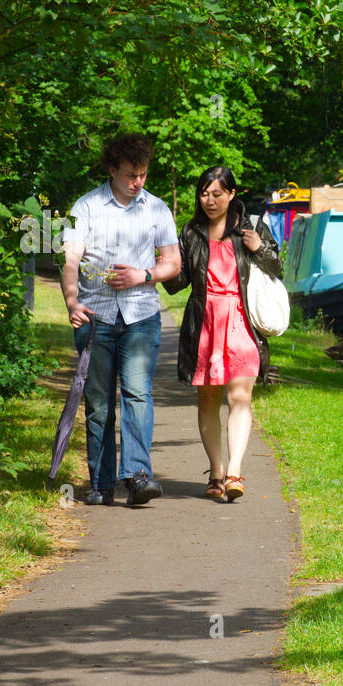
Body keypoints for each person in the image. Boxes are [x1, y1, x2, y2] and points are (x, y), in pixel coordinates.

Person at [60, 134, 180, 507]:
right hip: (96, 318)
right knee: (98, 404)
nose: (138, 182)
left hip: (141, 315)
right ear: (112, 170)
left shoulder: (157, 209)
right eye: (131, 175)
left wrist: (143, 275)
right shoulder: (85, 207)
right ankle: (101, 483)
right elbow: (69, 262)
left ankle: (139, 476)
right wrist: (71, 302)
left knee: (138, 394)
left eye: (143, 174)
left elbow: (173, 263)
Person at [165, 166, 281, 502]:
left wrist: (260, 247)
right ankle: (215, 473)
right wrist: (164, 259)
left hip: (241, 322)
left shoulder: (251, 227)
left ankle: (234, 472)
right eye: (204, 193)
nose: (209, 200)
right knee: (209, 400)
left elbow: (277, 267)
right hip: (205, 322)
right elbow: (177, 283)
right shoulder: (191, 232)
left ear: (231, 194)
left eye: (217, 193)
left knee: (240, 397)